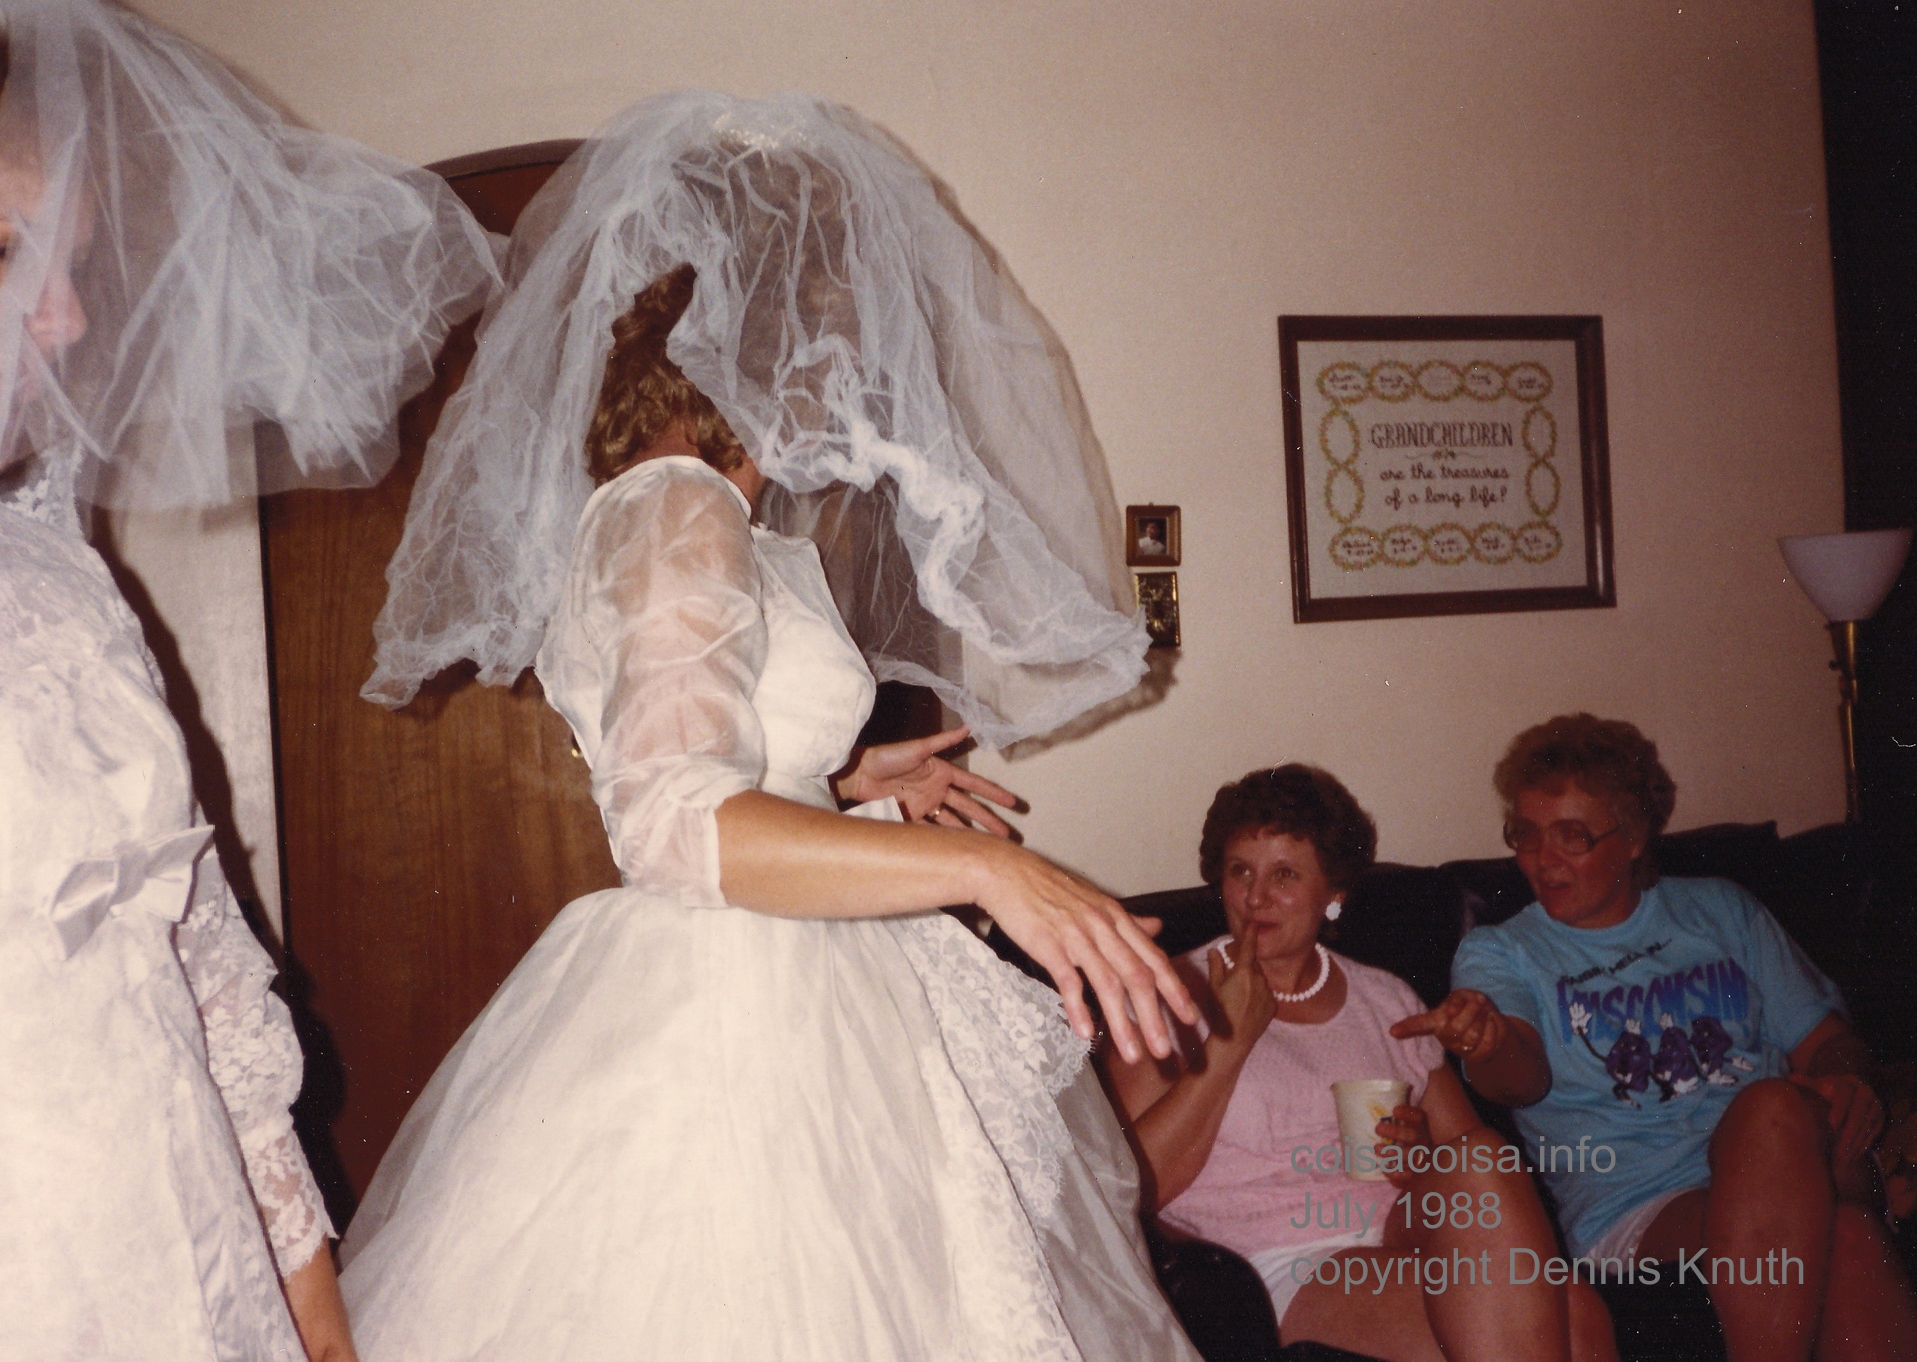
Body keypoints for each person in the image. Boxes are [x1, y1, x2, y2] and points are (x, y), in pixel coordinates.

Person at [338, 92, 1204, 1360]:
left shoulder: (726, 524)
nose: (855, 374)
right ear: (740, 352)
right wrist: (989, 869)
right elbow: (675, 820)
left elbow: (716, 758)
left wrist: (840, 781)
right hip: (738, 1011)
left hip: (809, 969)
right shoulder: (675, 508)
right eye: (834, 336)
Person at [0, 4, 494, 1357]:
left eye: (74, 262)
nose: (72, 310)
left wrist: (312, 1306)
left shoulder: (51, 564)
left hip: (192, 1256)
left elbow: (202, 961)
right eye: (2, 251)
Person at [1417, 713, 1917, 1362]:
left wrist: (1850, 1079)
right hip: (1642, 1205)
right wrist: (1485, 1046)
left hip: (1793, 1161)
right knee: (1789, 1136)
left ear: (1632, 836)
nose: (1543, 861)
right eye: (1526, 834)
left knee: (1844, 1223)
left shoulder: (1720, 909)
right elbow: (1520, 1075)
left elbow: (1827, 1041)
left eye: (1571, 837)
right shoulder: (1504, 952)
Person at [1104, 765, 1616, 1362]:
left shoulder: (1384, 998)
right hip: (1275, 1258)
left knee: (1484, 1155)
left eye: (1286, 874)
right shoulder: (1164, 995)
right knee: (1572, 1325)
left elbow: (1462, 1162)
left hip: (1398, 1228)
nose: (1255, 896)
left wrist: (1419, 1153)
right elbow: (1131, 1187)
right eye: (1240, 870)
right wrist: (1228, 1043)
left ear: (1335, 892)